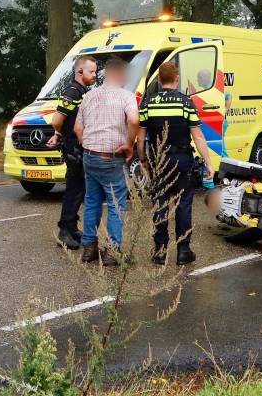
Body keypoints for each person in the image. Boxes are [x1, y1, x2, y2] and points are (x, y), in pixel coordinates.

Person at [137, 60, 215, 265]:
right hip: (182, 159)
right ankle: (183, 250)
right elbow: (197, 136)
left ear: (160, 80)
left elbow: (140, 136)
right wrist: (208, 162)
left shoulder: (148, 103)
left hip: (158, 159)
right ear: (177, 78)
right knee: (182, 204)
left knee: (160, 203)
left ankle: (160, 251)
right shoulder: (185, 102)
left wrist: (143, 160)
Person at [74, 56, 139, 266]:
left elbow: (77, 128)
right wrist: (129, 144)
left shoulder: (89, 96)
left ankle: (89, 248)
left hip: (90, 157)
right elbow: (134, 120)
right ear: (119, 73)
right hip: (112, 158)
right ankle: (112, 251)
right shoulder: (126, 96)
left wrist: (88, 145)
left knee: (92, 201)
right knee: (115, 204)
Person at [46, 56, 97, 249]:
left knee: (79, 190)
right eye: (91, 72)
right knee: (73, 190)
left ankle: (72, 227)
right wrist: (59, 133)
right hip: (73, 147)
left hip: (80, 146)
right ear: (80, 72)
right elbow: (57, 119)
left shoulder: (83, 91)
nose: (94, 75)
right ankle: (64, 231)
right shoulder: (73, 91)